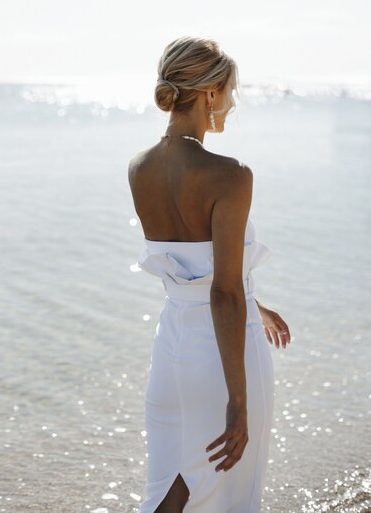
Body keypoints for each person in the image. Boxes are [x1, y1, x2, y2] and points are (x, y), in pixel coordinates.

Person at [128, 36, 291, 513]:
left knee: (168, 495)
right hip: (222, 356)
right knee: (230, 495)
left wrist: (255, 303)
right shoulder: (231, 174)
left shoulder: (139, 168)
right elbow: (222, 292)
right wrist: (238, 403)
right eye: (230, 91)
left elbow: (189, 270)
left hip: (172, 349)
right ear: (210, 93)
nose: (233, 102)